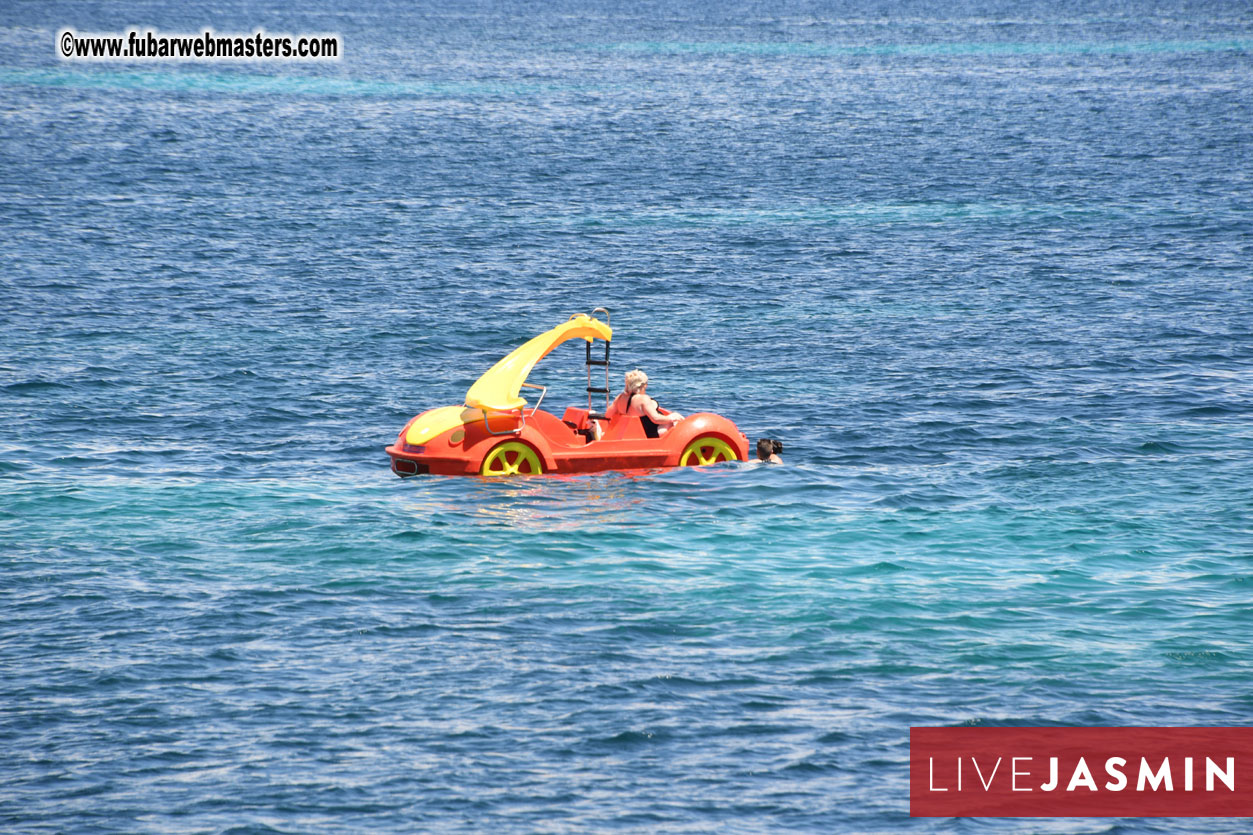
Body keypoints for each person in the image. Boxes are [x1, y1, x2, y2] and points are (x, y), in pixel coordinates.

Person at [603, 369, 683, 438]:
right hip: (648, 435)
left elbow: (607, 414)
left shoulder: (620, 398)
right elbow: (656, 419)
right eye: (646, 384)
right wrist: (671, 418)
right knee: (675, 418)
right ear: (643, 385)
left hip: (630, 434)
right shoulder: (643, 399)